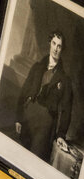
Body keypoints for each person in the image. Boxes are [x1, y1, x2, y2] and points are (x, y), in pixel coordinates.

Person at [15, 29, 72, 162]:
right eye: (54, 43)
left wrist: (61, 135)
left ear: (62, 49)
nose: (56, 49)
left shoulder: (64, 80)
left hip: (45, 125)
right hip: (29, 116)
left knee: (34, 161)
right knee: (19, 156)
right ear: (49, 43)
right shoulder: (37, 67)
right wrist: (18, 117)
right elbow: (24, 92)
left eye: (59, 46)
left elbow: (66, 109)